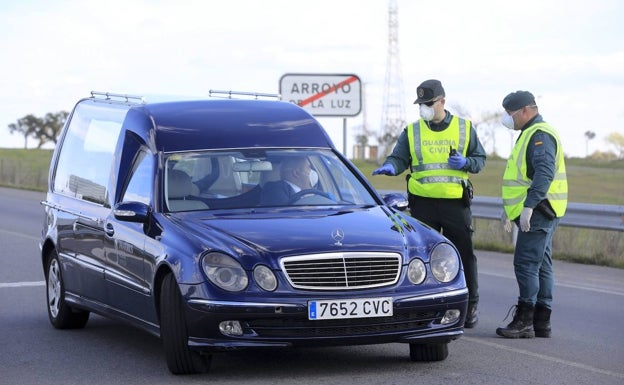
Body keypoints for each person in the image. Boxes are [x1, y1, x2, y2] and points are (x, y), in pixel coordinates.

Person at [373, 79, 486, 328]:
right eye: (421, 104)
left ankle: (471, 305)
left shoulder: (464, 128)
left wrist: (466, 163)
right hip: (422, 204)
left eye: (428, 103)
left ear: (442, 101)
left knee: (464, 254)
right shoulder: (413, 131)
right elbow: (399, 156)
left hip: (455, 204)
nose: (424, 108)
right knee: (422, 256)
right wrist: (392, 166)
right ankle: (428, 305)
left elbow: (480, 159)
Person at [496, 91, 568, 339]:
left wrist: (528, 206)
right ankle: (541, 322)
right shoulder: (531, 133)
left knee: (526, 264)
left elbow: (544, 173)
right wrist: (511, 210)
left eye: (509, 114)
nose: (508, 119)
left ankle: (525, 320)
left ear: (525, 111)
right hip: (541, 210)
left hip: (538, 211)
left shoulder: (539, 135)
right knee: (543, 265)